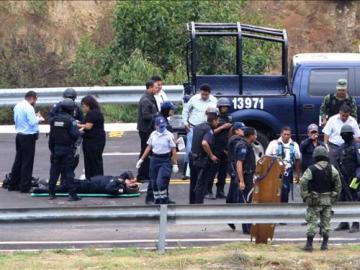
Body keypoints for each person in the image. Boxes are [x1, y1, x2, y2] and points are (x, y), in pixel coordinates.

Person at [300, 146, 342, 251]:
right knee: (326, 222)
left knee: (312, 222)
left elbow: (303, 181)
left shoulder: (311, 169)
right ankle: (324, 245)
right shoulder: (332, 169)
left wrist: (305, 196)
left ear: (315, 156)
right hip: (327, 200)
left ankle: (309, 245)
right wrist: (335, 195)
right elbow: (338, 184)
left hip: (314, 200)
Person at [136, 116, 178, 204]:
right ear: (156, 126)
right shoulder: (153, 135)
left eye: (164, 126)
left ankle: (164, 200)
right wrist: (141, 159)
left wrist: (175, 164)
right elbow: (149, 147)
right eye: (160, 126)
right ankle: (158, 200)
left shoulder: (169, 135)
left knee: (161, 181)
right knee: (154, 182)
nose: (163, 128)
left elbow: (173, 150)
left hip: (165, 160)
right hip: (155, 159)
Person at [8, 91, 43, 193]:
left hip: (19, 135)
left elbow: (16, 119)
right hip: (28, 136)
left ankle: (13, 184)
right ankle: (25, 186)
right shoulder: (29, 108)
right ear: (32, 98)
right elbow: (32, 122)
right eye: (35, 99)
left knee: (18, 160)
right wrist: (39, 118)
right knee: (27, 162)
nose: (35, 102)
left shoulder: (17, 106)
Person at [48, 99, 81, 201]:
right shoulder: (71, 121)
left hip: (56, 149)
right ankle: (72, 194)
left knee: (54, 172)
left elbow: (51, 136)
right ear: (71, 109)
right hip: (67, 150)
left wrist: (52, 149)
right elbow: (75, 135)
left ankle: (51, 193)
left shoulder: (54, 120)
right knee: (69, 172)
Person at [182, 84, 217, 179]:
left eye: (206, 94)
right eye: (203, 94)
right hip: (194, 127)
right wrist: (185, 122)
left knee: (206, 148)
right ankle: (189, 172)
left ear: (209, 93)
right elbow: (185, 110)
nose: (204, 96)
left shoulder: (214, 100)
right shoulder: (194, 99)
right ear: (200, 92)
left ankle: (205, 170)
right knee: (190, 149)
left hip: (206, 127)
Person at [229, 127, 257, 234]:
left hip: (248, 176)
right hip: (245, 177)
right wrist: (241, 181)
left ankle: (248, 226)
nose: (256, 136)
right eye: (254, 134)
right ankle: (247, 228)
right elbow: (239, 163)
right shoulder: (243, 146)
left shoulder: (246, 144)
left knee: (248, 200)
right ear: (250, 136)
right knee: (246, 201)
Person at [189, 107, 219, 204]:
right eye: (217, 120)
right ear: (214, 120)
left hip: (193, 157)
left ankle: (192, 203)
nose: (218, 123)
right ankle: (198, 205)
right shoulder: (208, 129)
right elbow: (204, 143)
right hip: (201, 159)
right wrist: (211, 156)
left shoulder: (198, 127)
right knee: (201, 184)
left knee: (193, 182)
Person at [334, 124, 360, 233]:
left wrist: (358, 177)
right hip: (343, 179)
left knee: (354, 199)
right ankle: (344, 223)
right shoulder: (341, 148)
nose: (345, 136)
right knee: (342, 200)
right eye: (343, 134)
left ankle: (355, 223)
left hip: (355, 178)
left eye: (347, 134)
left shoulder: (356, 147)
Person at [265, 126, 301, 203]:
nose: (286, 136)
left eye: (288, 134)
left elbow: (297, 160)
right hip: (274, 170)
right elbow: (266, 158)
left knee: (285, 190)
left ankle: (284, 206)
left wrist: (297, 174)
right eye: (284, 134)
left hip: (287, 171)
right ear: (281, 134)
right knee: (273, 190)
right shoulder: (273, 144)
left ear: (290, 135)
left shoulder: (294, 145)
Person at [206, 97, 232, 199]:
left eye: (226, 107)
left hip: (224, 148)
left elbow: (230, 132)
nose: (224, 109)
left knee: (223, 173)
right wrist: (222, 127)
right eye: (223, 107)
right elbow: (211, 133)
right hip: (215, 147)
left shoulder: (229, 118)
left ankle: (220, 191)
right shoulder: (214, 118)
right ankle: (208, 191)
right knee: (212, 171)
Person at [33, 171, 139, 196]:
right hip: (88, 182)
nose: (130, 182)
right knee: (64, 184)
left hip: (86, 187)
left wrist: (120, 180)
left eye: (132, 184)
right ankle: (43, 183)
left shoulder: (119, 188)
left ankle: (38, 188)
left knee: (63, 188)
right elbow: (127, 173)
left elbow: (108, 188)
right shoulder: (121, 181)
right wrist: (131, 177)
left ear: (130, 188)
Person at [78, 95, 106, 179]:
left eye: (83, 106)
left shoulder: (93, 113)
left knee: (94, 161)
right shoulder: (93, 113)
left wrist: (76, 124)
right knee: (91, 161)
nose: (83, 108)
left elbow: (88, 126)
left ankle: (95, 179)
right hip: (93, 140)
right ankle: (92, 179)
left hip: (94, 141)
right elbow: (84, 123)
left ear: (88, 105)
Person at [136, 80, 158, 184]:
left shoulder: (151, 97)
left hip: (149, 129)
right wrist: (157, 115)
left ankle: (146, 173)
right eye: (155, 87)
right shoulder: (145, 100)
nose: (156, 89)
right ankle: (141, 175)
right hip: (145, 130)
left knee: (148, 151)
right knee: (145, 151)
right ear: (149, 87)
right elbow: (145, 116)